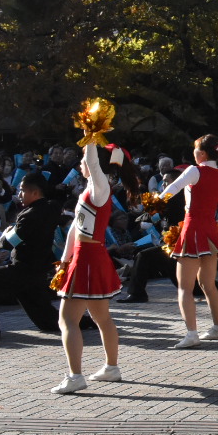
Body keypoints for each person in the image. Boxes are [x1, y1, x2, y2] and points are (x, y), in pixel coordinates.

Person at [51, 144, 126, 394]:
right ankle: (111, 367)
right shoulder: (92, 189)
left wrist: (90, 136)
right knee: (101, 317)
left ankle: (75, 376)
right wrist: (64, 258)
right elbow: (76, 226)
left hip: (89, 257)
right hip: (86, 255)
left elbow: (93, 163)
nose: (81, 163)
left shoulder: (100, 186)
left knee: (68, 319)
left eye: (83, 159)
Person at [0, 173, 62, 341]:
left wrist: (7, 233)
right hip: (38, 269)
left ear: (34, 192)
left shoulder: (29, 215)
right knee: (48, 319)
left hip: (23, 269)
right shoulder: (52, 208)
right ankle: (83, 322)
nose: (19, 195)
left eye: (22, 191)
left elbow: (9, 244)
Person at [162, 134, 218, 349]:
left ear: (202, 153)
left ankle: (191, 333)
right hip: (210, 229)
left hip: (193, 228)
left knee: (185, 286)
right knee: (208, 283)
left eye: (196, 150)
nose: (194, 153)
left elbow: (171, 189)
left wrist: (152, 205)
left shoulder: (195, 170)